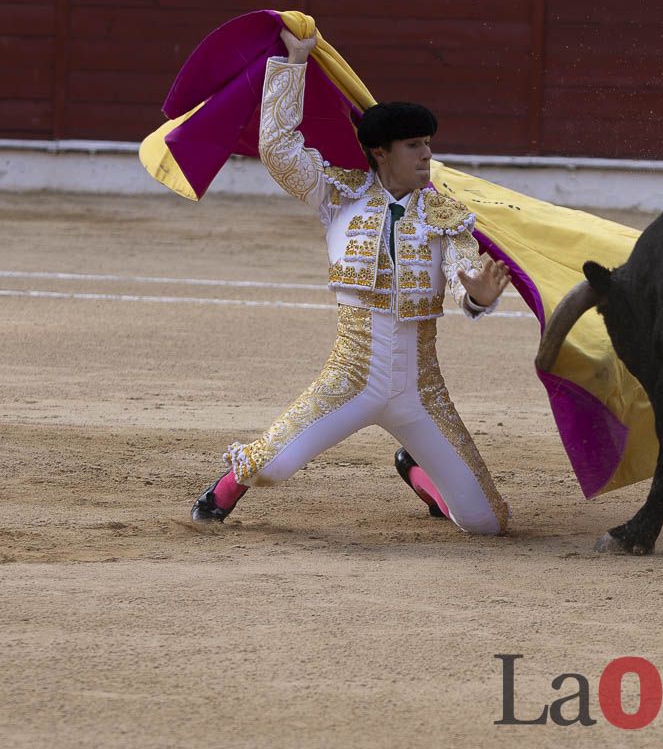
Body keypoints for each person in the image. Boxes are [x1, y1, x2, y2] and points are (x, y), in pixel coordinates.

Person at [189, 29, 510, 535]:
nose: (427, 155)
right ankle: (227, 488)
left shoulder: (448, 215)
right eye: (414, 146)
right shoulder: (339, 195)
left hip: (423, 391)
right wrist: (294, 63)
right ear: (381, 152)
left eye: (428, 144)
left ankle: (418, 473)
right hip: (349, 380)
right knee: (272, 467)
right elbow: (276, 148)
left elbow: (461, 273)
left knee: (487, 523)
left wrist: (476, 295)